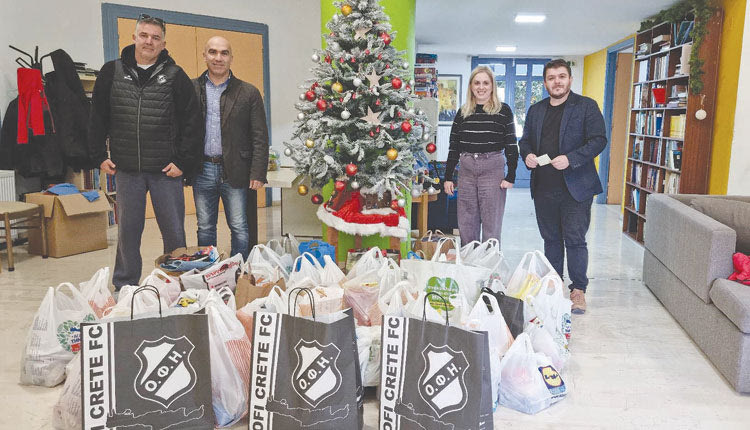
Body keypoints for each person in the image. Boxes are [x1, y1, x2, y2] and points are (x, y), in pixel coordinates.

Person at [88, 14, 202, 289]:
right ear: (134, 37)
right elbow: (97, 116)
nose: (149, 41)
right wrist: (98, 155)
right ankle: (125, 283)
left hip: (166, 171)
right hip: (127, 170)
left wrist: (183, 162)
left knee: (174, 232)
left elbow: (192, 121)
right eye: (144, 35)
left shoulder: (176, 76)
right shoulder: (111, 72)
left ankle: (177, 281)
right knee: (127, 232)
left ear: (163, 43)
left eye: (155, 37)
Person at [518, 59, 608, 314]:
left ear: (569, 79)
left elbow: (599, 140)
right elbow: (525, 142)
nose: (557, 81)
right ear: (545, 82)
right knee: (551, 239)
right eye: (551, 78)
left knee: (575, 240)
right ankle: (554, 284)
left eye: (561, 76)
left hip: (576, 187)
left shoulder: (586, 106)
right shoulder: (536, 110)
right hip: (544, 186)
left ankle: (578, 290)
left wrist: (571, 159)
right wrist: (527, 155)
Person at [192, 36, 269, 259]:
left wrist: (258, 172)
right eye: (213, 52)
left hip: (237, 170)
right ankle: (209, 271)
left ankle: (238, 270)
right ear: (204, 55)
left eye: (224, 53)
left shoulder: (248, 93)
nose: (218, 58)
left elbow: (260, 136)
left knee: (239, 226)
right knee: (205, 227)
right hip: (203, 169)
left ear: (231, 58)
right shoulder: (191, 88)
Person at [443, 65, 518, 246]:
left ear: (492, 86)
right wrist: (448, 177)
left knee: (492, 224)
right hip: (467, 169)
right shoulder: (463, 112)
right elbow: (454, 147)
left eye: (486, 82)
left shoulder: (503, 111)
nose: (481, 87)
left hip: (492, 168)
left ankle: (490, 268)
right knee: (467, 223)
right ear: (471, 86)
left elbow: (511, 144)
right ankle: (471, 267)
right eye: (477, 83)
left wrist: (511, 175)